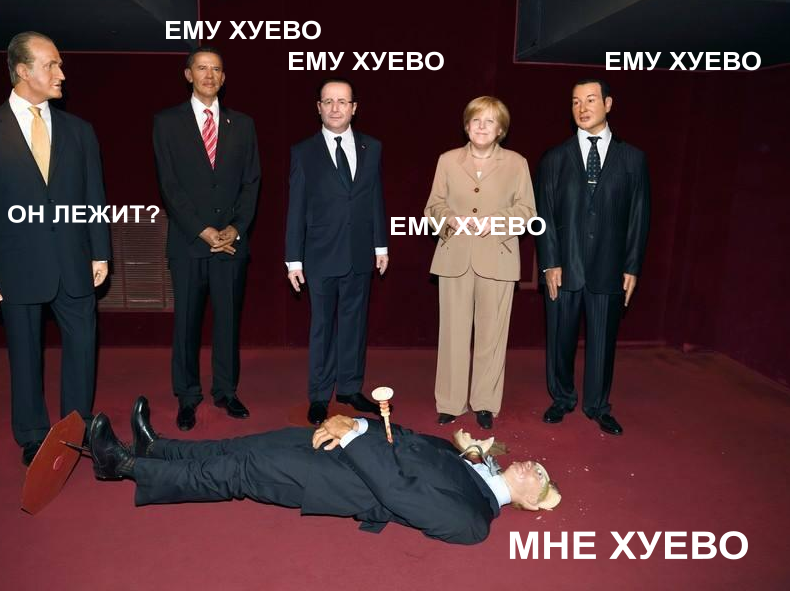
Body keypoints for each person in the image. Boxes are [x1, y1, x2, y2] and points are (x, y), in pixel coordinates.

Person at [89, 397, 561, 545]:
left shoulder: (475, 521)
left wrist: (352, 437)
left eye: (539, 476)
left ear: (530, 503)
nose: (533, 466)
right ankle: (158, 448)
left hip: (342, 481)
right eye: (538, 464)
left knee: (239, 470)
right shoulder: (468, 462)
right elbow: (402, 434)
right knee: (241, 445)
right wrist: (356, 423)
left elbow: (398, 493)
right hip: (343, 445)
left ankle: (124, 466)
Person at [0, 31, 111, 466]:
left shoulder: (80, 131)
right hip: (16, 264)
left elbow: (93, 196)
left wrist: (101, 251)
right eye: (51, 65)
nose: (61, 73)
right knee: (24, 353)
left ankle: (77, 427)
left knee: (82, 346)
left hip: (74, 260)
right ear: (23, 71)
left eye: (59, 64)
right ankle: (32, 434)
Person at [153, 46, 261, 430]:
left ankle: (226, 391)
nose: (209, 75)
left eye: (216, 69)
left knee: (228, 322)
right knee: (186, 324)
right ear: (189, 75)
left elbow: (251, 182)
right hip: (189, 242)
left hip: (231, 243)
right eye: (202, 68)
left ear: (224, 77)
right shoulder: (167, 123)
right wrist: (203, 230)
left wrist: (236, 227)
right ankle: (187, 396)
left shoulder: (243, 125)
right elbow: (169, 186)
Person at [534, 79, 650, 435]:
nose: (582, 108)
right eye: (575, 102)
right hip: (563, 266)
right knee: (560, 338)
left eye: (590, 100)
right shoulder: (554, 158)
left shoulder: (633, 159)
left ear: (608, 104)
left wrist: (632, 266)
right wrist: (549, 262)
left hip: (610, 267)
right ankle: (562, 398)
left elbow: (639, 216)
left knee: (603, 341)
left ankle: (598, 406)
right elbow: (543, 215)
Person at [423, 97, 536, 429]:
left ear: (501, 129)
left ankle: (485, 402)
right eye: (476, 120)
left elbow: (527, 210)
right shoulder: (447, 161)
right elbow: (433, 206)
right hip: (454, 256)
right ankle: (450, 402)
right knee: (453, 334)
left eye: (490, 121)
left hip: (498, 257)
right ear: (466, 125)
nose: (482, 127)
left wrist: (497, 222)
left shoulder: (517, 163)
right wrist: (449, 219)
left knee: (492, 335)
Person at [284, 78, 388, 425]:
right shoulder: (303, 151)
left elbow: (375, 199)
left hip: (359, 253)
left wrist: (380, 245)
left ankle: (349, 388)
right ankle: (318, 395)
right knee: (322, 327)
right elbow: (296, 208)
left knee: (355, 325)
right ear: (318, 108)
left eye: (342, 101)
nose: (335, 108)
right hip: (320, 255)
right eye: (328, 101)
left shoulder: (372, 147)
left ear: (354, 108)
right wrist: (293, 259)